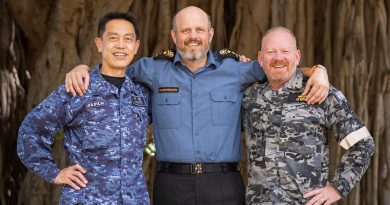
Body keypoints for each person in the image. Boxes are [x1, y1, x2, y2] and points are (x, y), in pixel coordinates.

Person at [65, 6, 329, 205]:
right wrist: (80, 69)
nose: (193, 36)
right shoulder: (151, 69)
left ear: (210, 34)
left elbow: (279, 67)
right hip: (171, 184)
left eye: (199, 30)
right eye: (185, 30)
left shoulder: (236, 70)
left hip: (224, 184)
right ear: (174, 35)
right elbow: (112, 69)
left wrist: (317, 70)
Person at [17, 12, 151, 204]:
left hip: (134, 199)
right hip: (87, 199)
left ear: (136, 46)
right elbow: (31, 132)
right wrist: (54, 173)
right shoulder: (78, 88)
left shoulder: (141, 94)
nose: (121, 45)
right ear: (99, 44)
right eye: (113, 38)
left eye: (128, 39)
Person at [242, 27, 375, 205]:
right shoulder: (250, 95)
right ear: (260, 58)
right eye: (271, 51)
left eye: (285, 51)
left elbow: (363, 144)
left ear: (297, 56)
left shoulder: (319, 92)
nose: (278, 57)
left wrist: (337, 188)